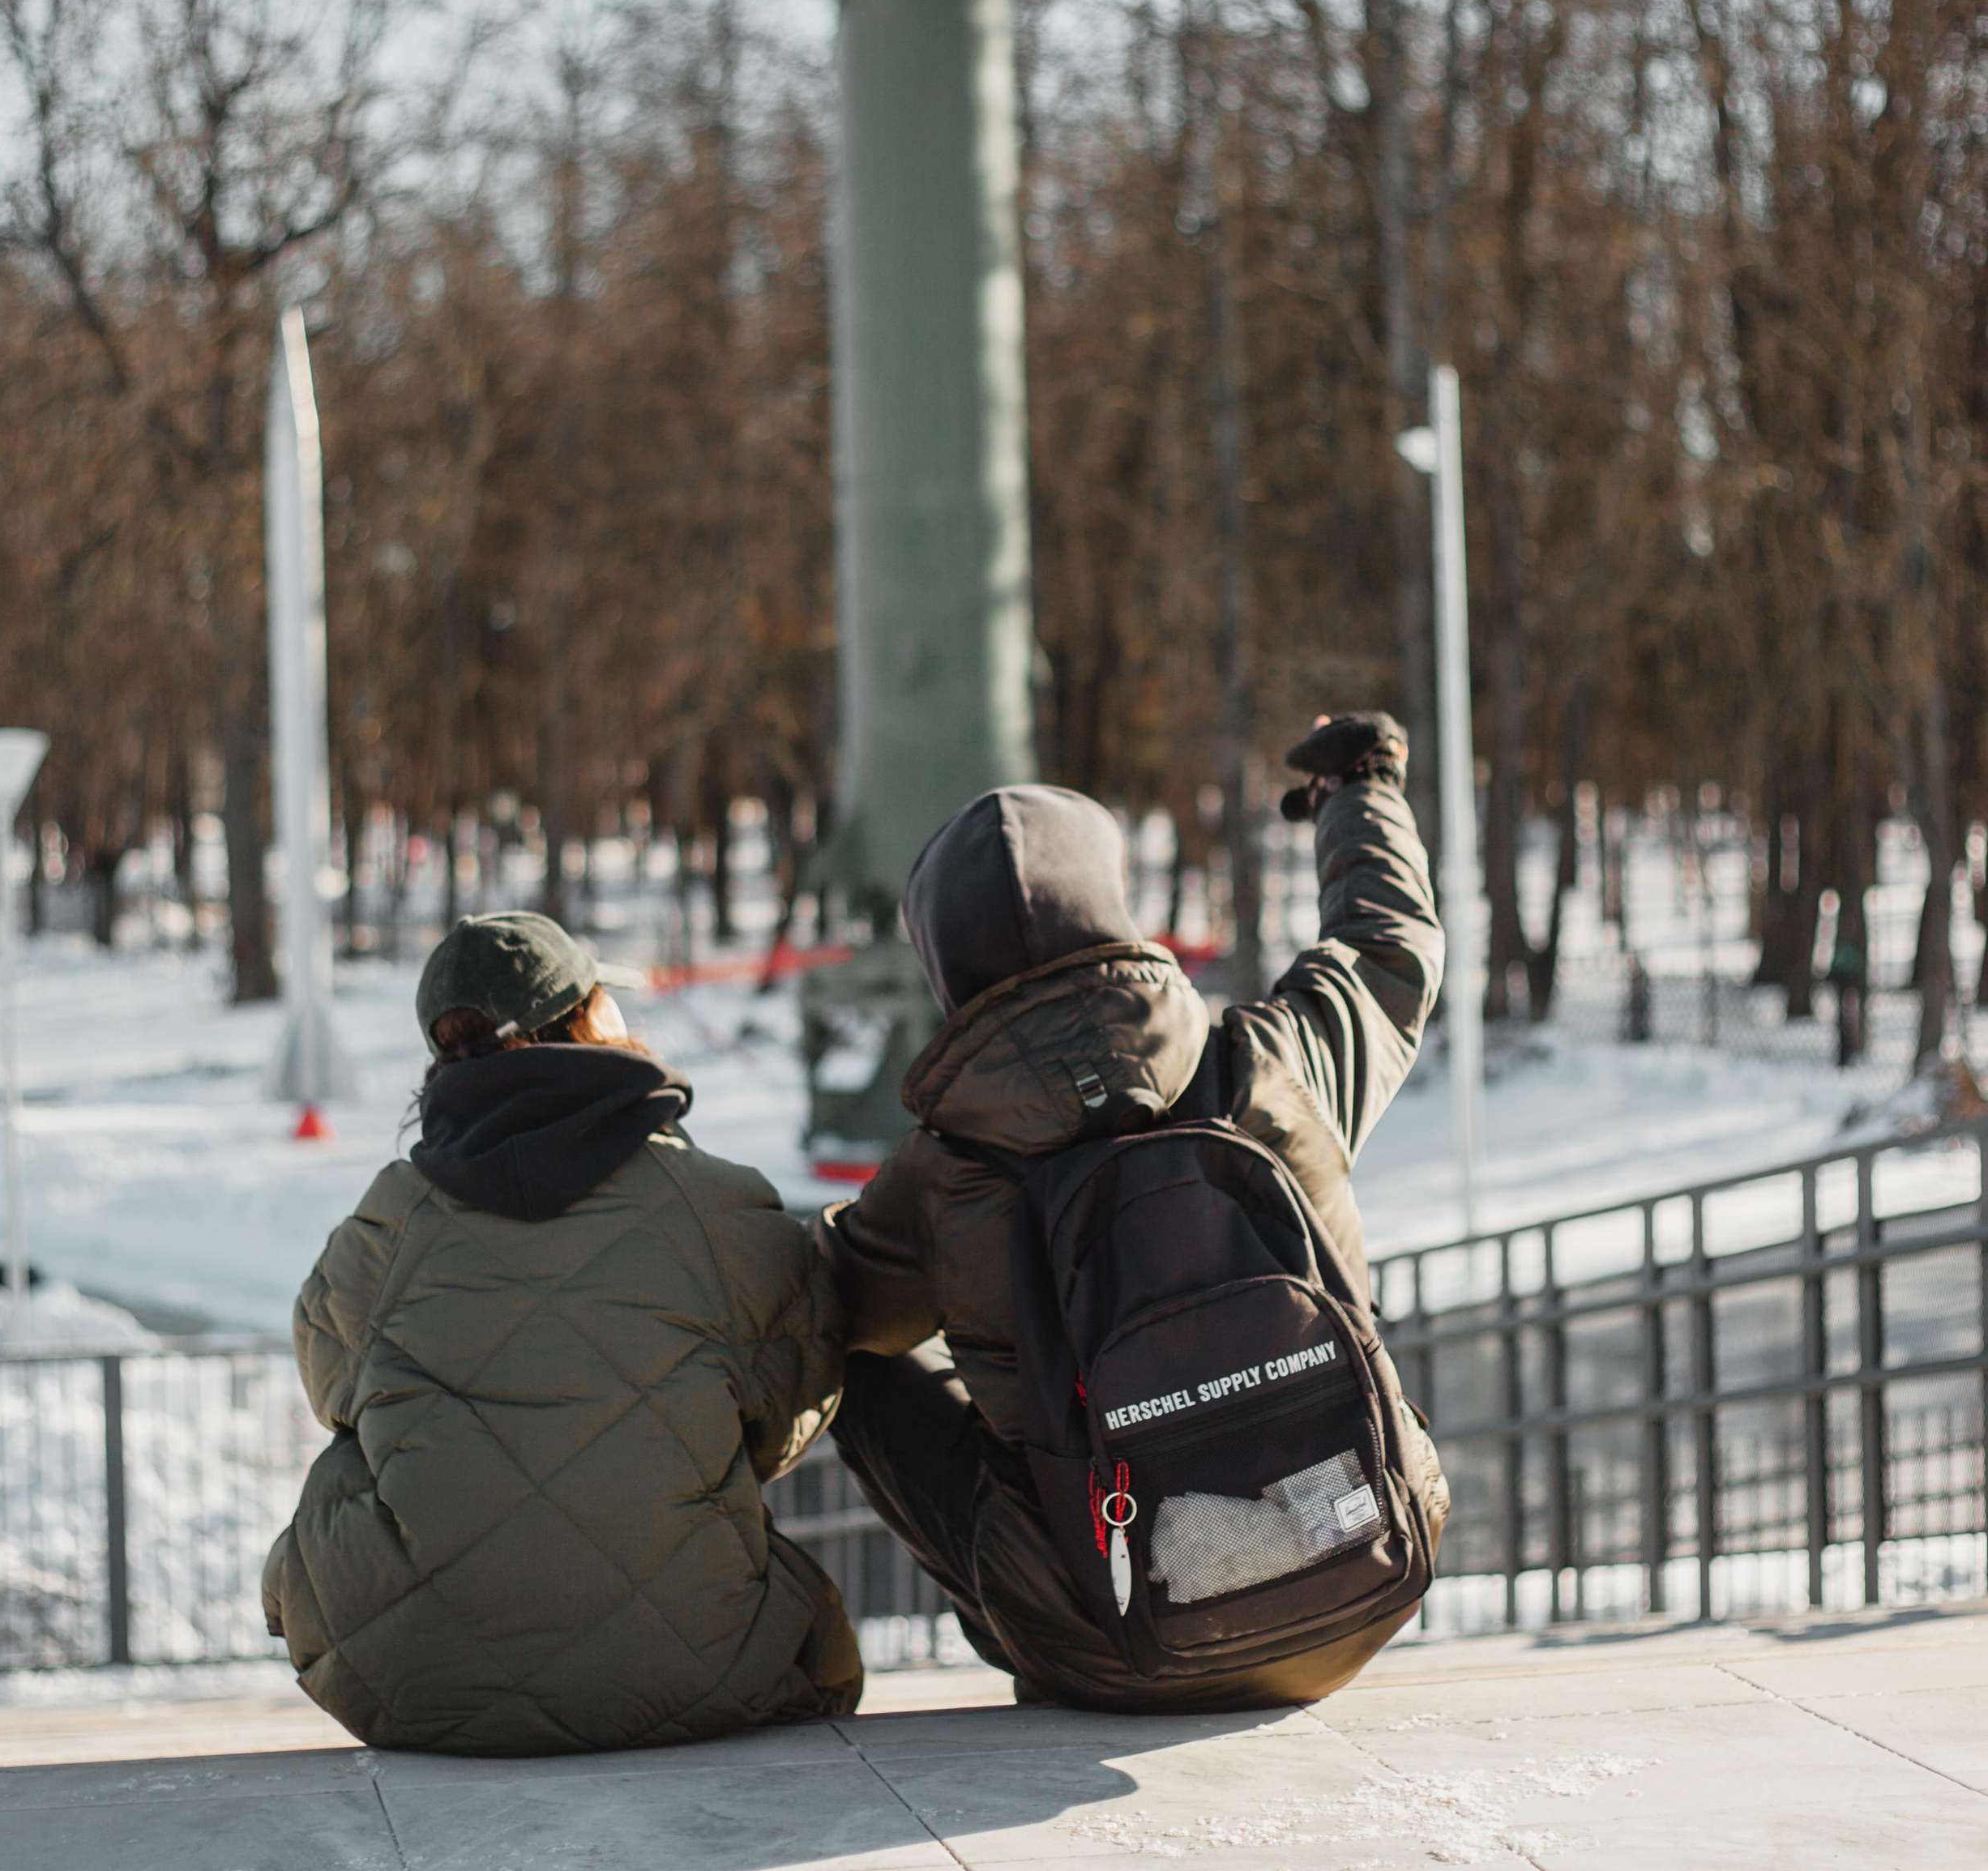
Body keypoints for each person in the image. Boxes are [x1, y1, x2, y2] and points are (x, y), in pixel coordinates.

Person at [823, 714, 1449, 1711]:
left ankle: (1061, 1580)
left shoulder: (941, 1177)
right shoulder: (1270, 1065)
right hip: (1362, 1578)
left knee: (851, 1359)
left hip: (1109, 1650)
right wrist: (1357, 784)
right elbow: (1388, 946)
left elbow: (820, 1307)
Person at [263, 911, 858, 1752]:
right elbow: (786, 1424)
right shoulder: (716, 1205)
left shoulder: (390, 1219)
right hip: (694, 1670)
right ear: (588, 1019)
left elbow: (329, 1387)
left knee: (353, 1456)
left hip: (406, 1681)